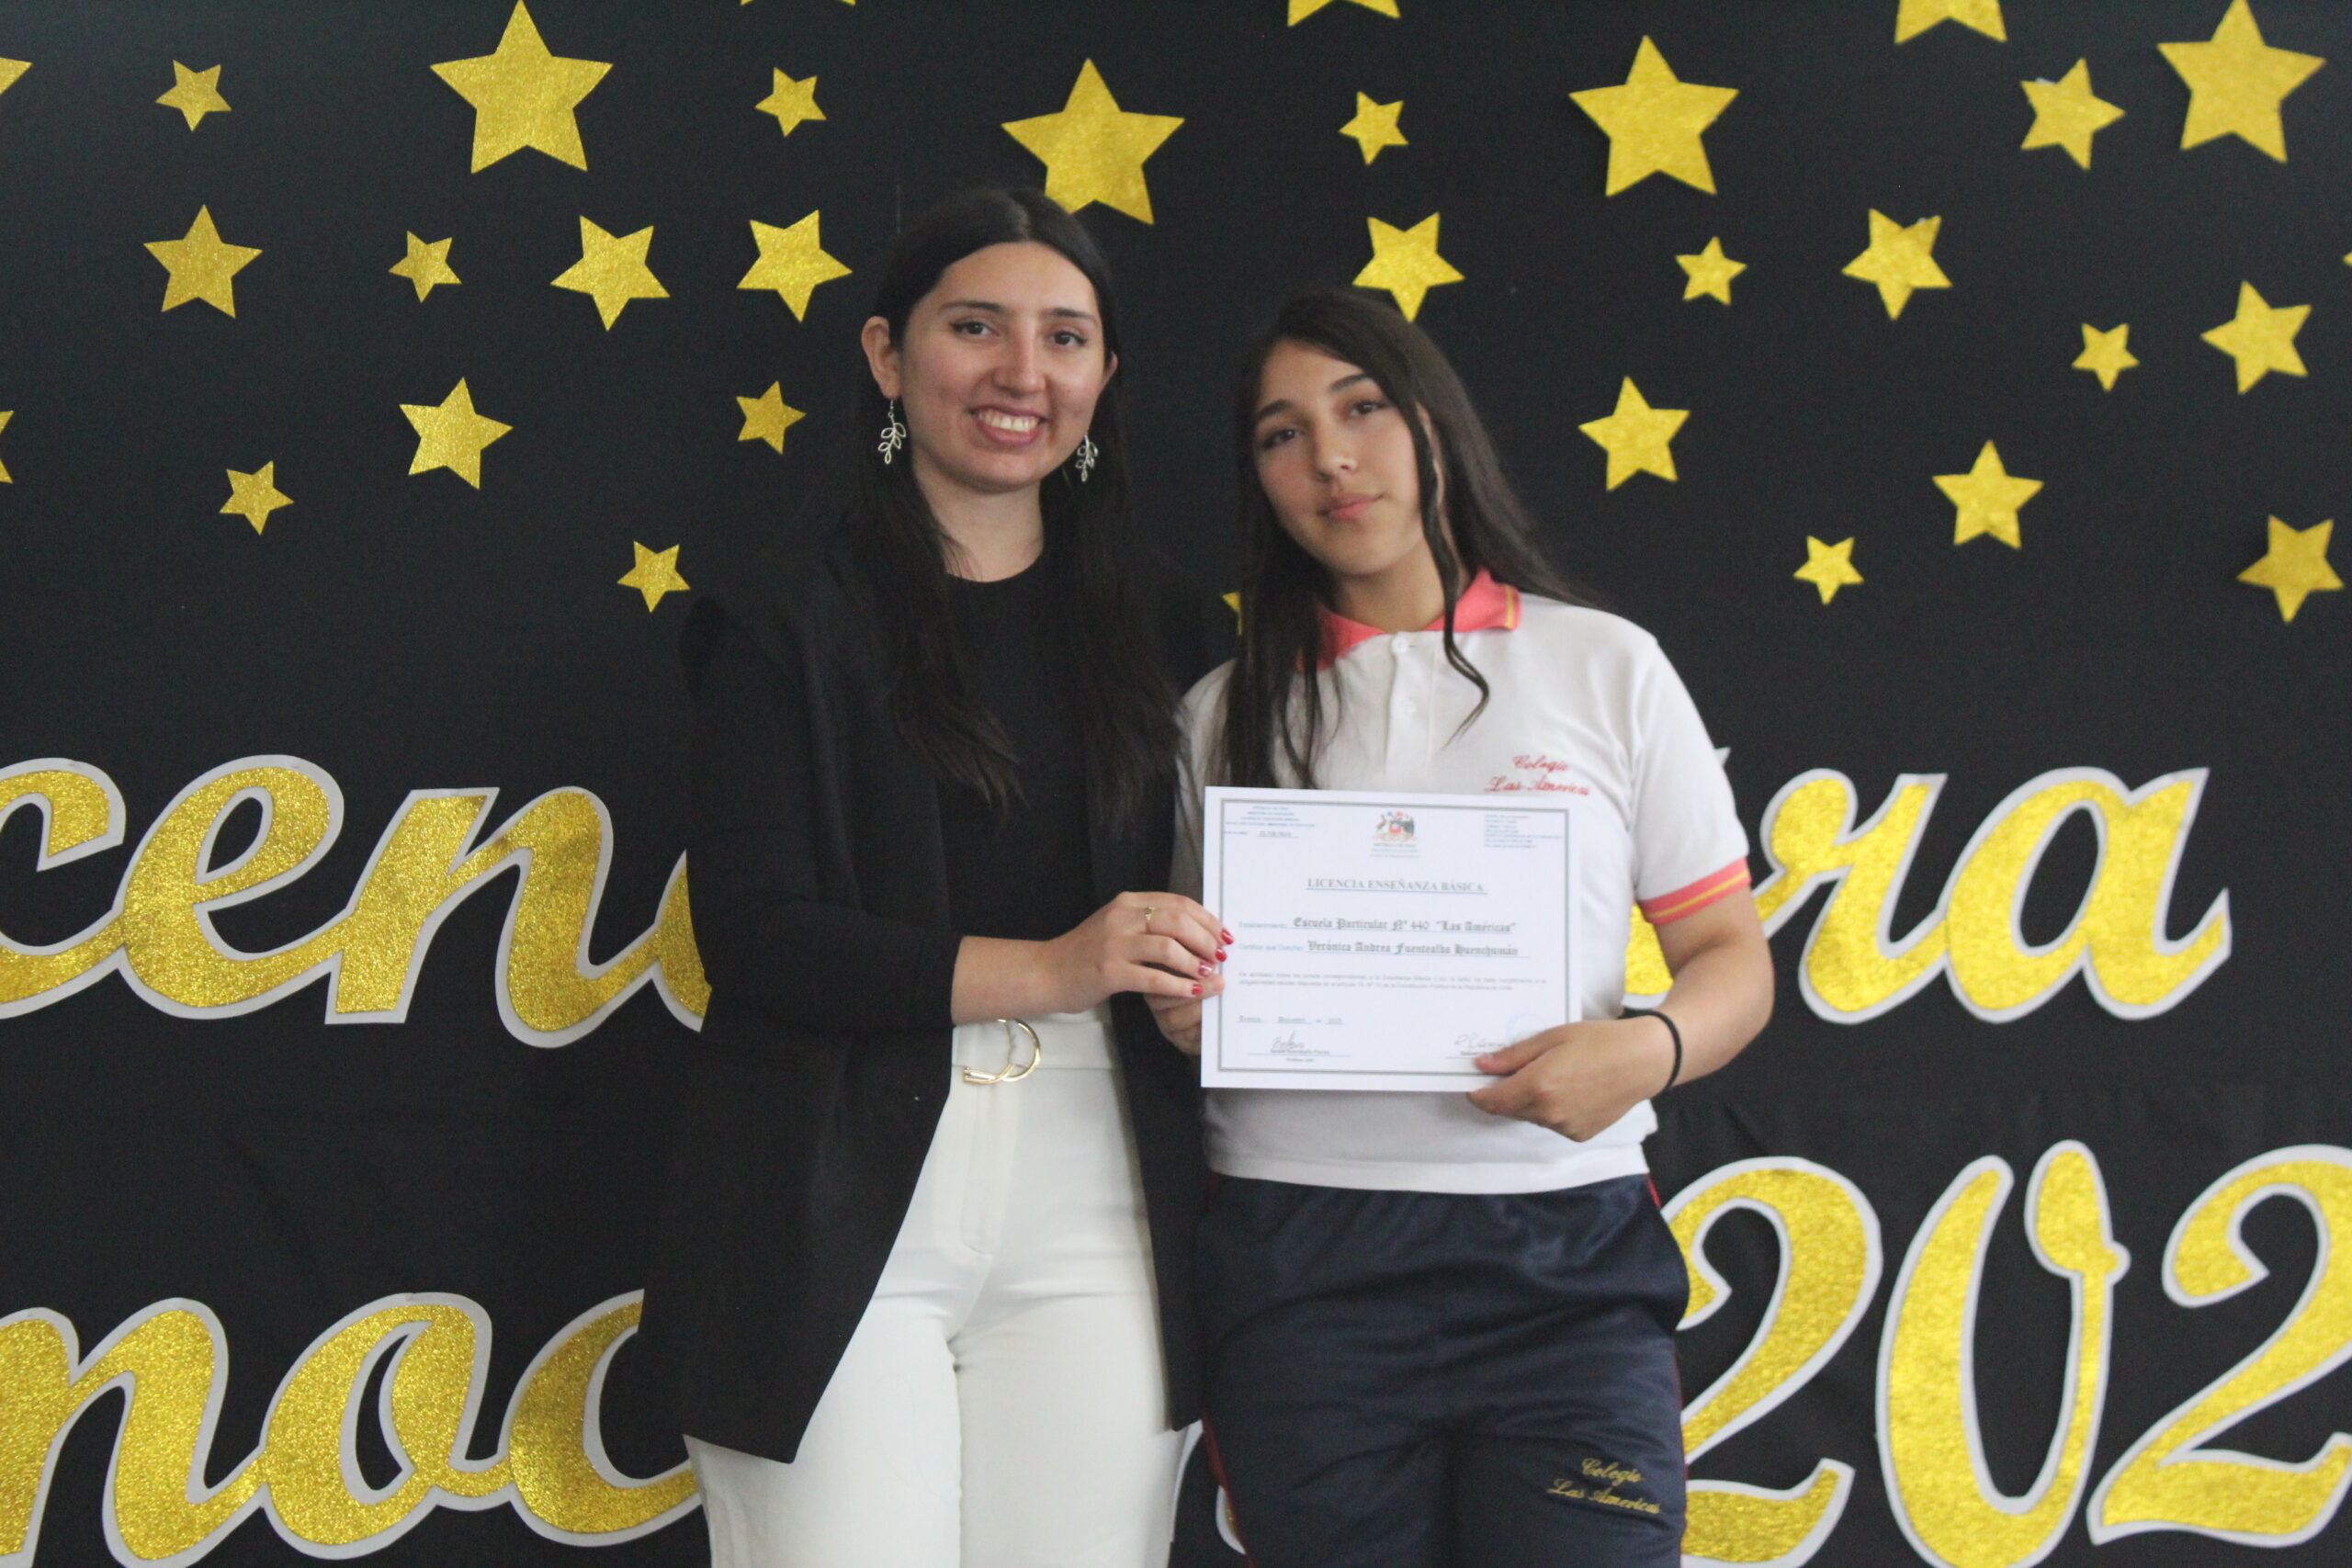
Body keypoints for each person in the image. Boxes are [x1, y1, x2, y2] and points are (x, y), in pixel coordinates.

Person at [641, 187, 1231, 1568]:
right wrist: (1059, 967)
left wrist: (1209, 998)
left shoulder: (1174, 626)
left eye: (1065, 337)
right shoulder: (782, 614)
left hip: (1107, 1193)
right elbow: (758, 936)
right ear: (886, 356)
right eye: (976, 328)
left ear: (1104, 375)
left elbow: (1228, 914)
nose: (1023, 372)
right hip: (828, 1184)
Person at [1153, 289, 1773, 1567]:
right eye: (1281, 434)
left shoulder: (1607, 665)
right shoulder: (1219, 715)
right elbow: (1188, 983)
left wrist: (1646, 1050)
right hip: (1300, 1259)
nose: (1331, 458)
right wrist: (1181, 1011)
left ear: (1437, 423)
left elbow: (1732, 959)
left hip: (1564, 1256)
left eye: (1363, 409)